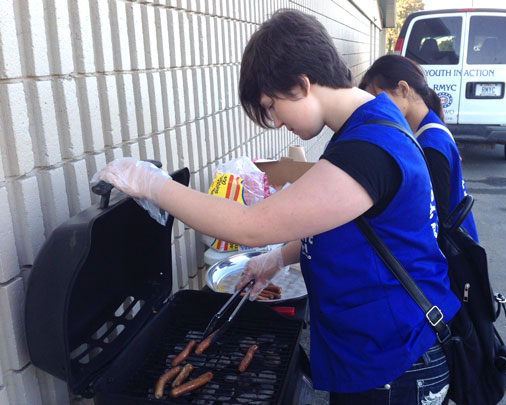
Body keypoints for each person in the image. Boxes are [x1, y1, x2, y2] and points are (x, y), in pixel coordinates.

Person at [98, 9, 459, 404]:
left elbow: (249, 226)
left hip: (397, 360)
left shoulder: (369, 149)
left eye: (271, 105)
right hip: (379, 349)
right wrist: (278, 257)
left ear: (302, 85)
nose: (274, 120)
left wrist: (153, 185)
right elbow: (349, 224)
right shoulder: (368, 126)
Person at [359, 55, 478, 241]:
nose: (376, 109)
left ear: (403, 89)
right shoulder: (426, 128)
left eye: (378, 99)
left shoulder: (431, 144)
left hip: (450, 256)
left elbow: (436, 221)